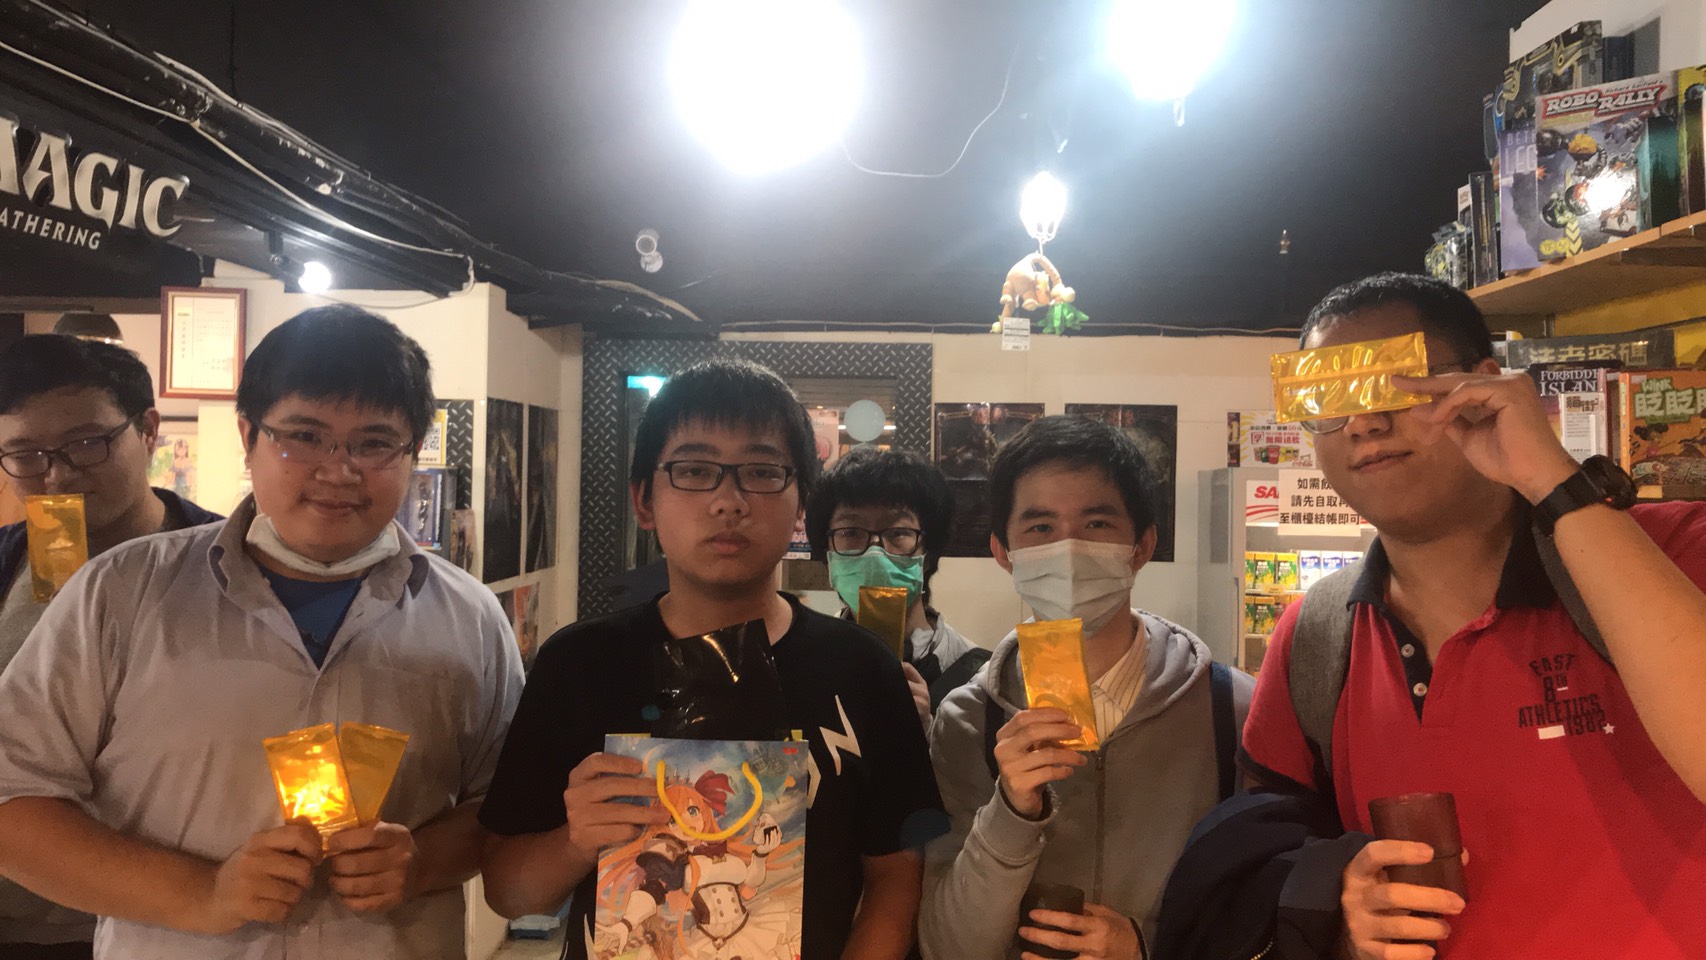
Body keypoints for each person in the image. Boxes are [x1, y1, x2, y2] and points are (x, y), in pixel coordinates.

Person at [1170, 273, 1706, 960]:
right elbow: (1267, 853)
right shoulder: (1315, 636)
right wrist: (1339, 907)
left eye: (1399, 386)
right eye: (1328, 399)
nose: (1363, 423)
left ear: (1483, 387)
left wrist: (1553, 479)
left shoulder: (1673, 551)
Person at [0, 306, 524, 959]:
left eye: (373, 443)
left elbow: (502, 809)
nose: (338, 470)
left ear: (413, 451)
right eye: (303, 436)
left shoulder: (471, 618)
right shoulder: (119, 593)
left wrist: (422, 862)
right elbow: (14, 801)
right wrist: (204, 893)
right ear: (247, 437)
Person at [479, 357, 944, 960]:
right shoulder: (578, 664)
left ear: (802, 503)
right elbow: (506, 892)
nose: (729, 501)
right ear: (644, 501)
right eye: (695, 470)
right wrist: (574, 841)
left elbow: (896, 880)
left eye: (762, 472)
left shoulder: (864, 670)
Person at [922, 415, 1251, 960]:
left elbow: (1263, 909)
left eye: (1096, 524)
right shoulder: (966, 722)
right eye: (1040, 528)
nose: (1069, 549)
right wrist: (1010, 812)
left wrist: (1148, 949)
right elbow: (947, 949)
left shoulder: (1231, 709)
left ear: (1142, 546)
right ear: (1003, 552)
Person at [0, 335, 223, 958]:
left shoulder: (226, 565)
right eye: (25, 455)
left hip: (158, 917)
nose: (57, 474)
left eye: (85, 444)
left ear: (148, 431)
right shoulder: (8, 562)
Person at [805, 447, 990, 725]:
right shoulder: (803, 665)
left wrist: (927, 732)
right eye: (850, 532)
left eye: (898, 532)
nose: (875, 553)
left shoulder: (980, 677)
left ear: (928, 553)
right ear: (827, 554)